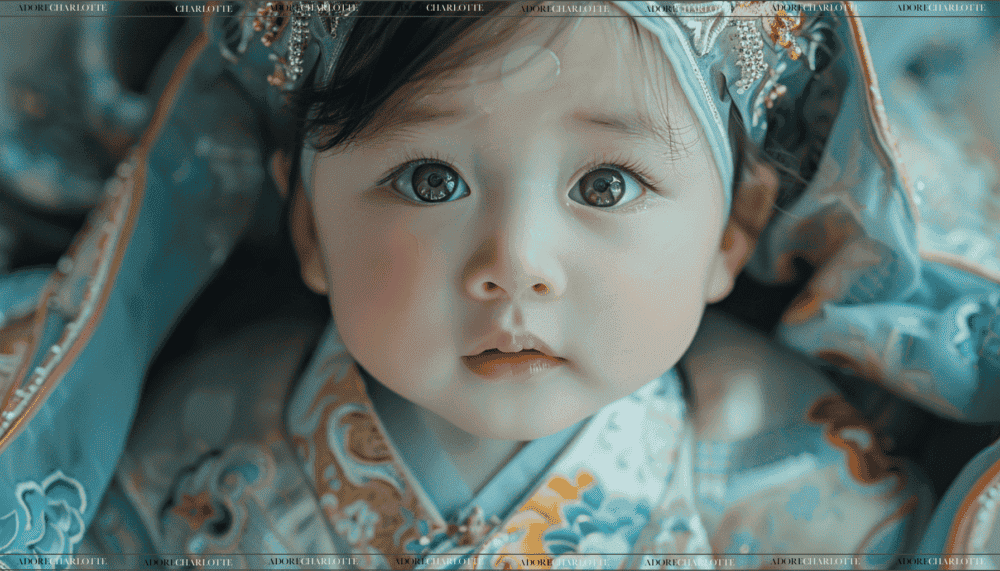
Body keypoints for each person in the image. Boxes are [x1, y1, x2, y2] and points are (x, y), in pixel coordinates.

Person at [0, 2, 996, 570]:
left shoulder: (802, 485)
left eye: (605, 185)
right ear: (307, 223)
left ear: (730, 232)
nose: (514, 261)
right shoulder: (184, 450)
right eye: (430, 181)